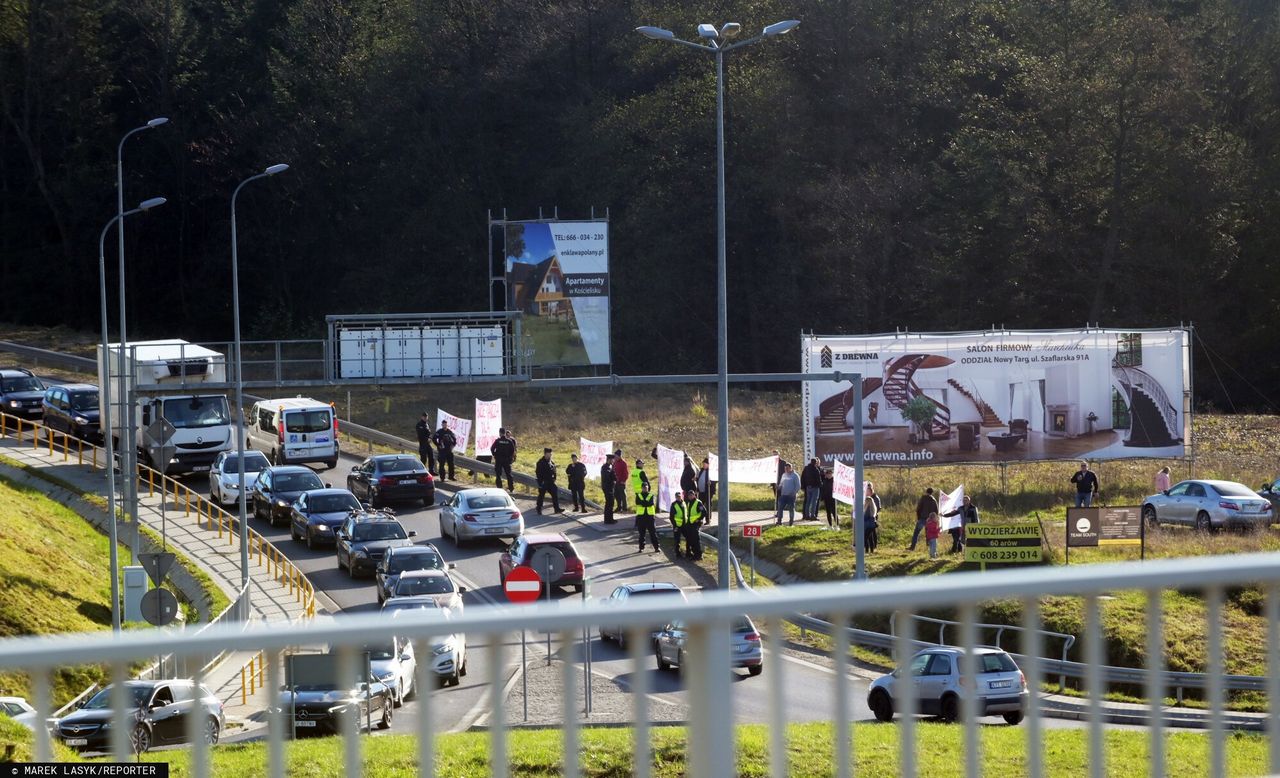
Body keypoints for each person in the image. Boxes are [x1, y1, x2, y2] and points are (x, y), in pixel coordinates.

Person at [672, 488, 705, 560]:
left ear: (694, 495)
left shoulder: (698, 502)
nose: (690, 496)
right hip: (689, 524)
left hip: (695, 524)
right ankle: (692, 554)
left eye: (691, 495)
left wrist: (699, 520)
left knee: (696, 540)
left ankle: (698, 555)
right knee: (691, 539)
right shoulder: (689, 502)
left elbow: (704, 512)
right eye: (689, 495)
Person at [534, 448, 563, 514]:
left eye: (550, 454)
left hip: (550, 482)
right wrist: (541, 482)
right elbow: (538, 473)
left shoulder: (551, 462)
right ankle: (539, 508)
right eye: (548, 454)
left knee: (555, 493)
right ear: (545, 454)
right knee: (541, 495)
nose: (550, 455)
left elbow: (554, 471)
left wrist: (554, 478)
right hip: (543, 482)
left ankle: (556, 509)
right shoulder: (540, 462)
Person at [634, 481, 660, 553]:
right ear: (641, 488)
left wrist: (643, 503)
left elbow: (650, 503)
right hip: (641, 517)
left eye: (646, 487)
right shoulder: (638, 495)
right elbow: (637, 502)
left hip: (650, 517)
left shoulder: (651, 495)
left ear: (648, 488)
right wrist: (645, 503)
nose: (645, 489)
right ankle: (641, 548)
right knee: (641, 534)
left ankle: (656, 547)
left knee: (653, 533)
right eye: (644, 487)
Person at [601, 453, 617, 524]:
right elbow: (607, 477)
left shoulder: (610, 467)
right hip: (607, 487)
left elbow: (614, 477)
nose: (613, 461)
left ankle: (610, 518)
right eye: (612, 460)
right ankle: (607, 520)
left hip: (610, 487)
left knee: (611, 503)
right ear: (609, 460)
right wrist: (613, 477)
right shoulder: (605, 467)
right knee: (609, 503)